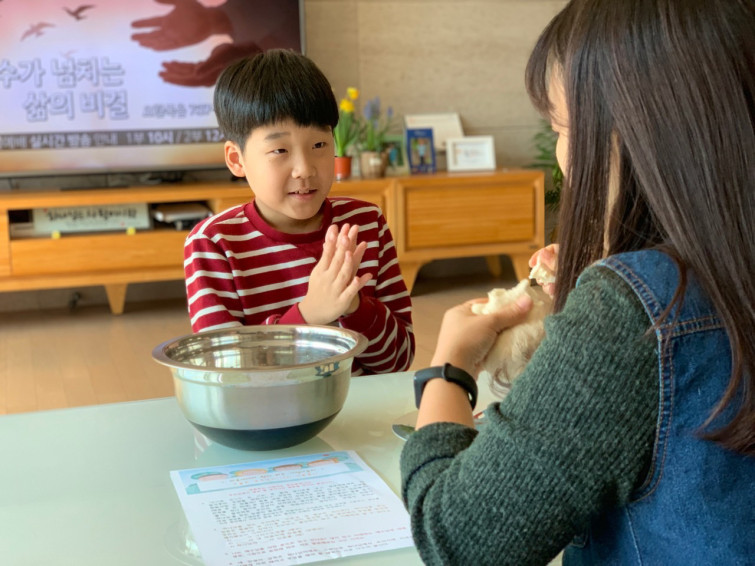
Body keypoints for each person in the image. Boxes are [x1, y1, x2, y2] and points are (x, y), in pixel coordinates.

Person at [400, 0, 754, 564]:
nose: (563, 154)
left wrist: (447, 369)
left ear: (642, 136)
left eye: (561, 129)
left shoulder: (637, 310)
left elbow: (459, 540)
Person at [184, 49, 414, 375]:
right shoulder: (213, 243)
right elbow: (226, 375)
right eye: (280, 150)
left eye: (319, 145)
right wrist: (309, 315)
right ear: (237, 159)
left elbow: (399, 361)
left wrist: (354, 305)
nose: (305, 169)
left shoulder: (365, 224)